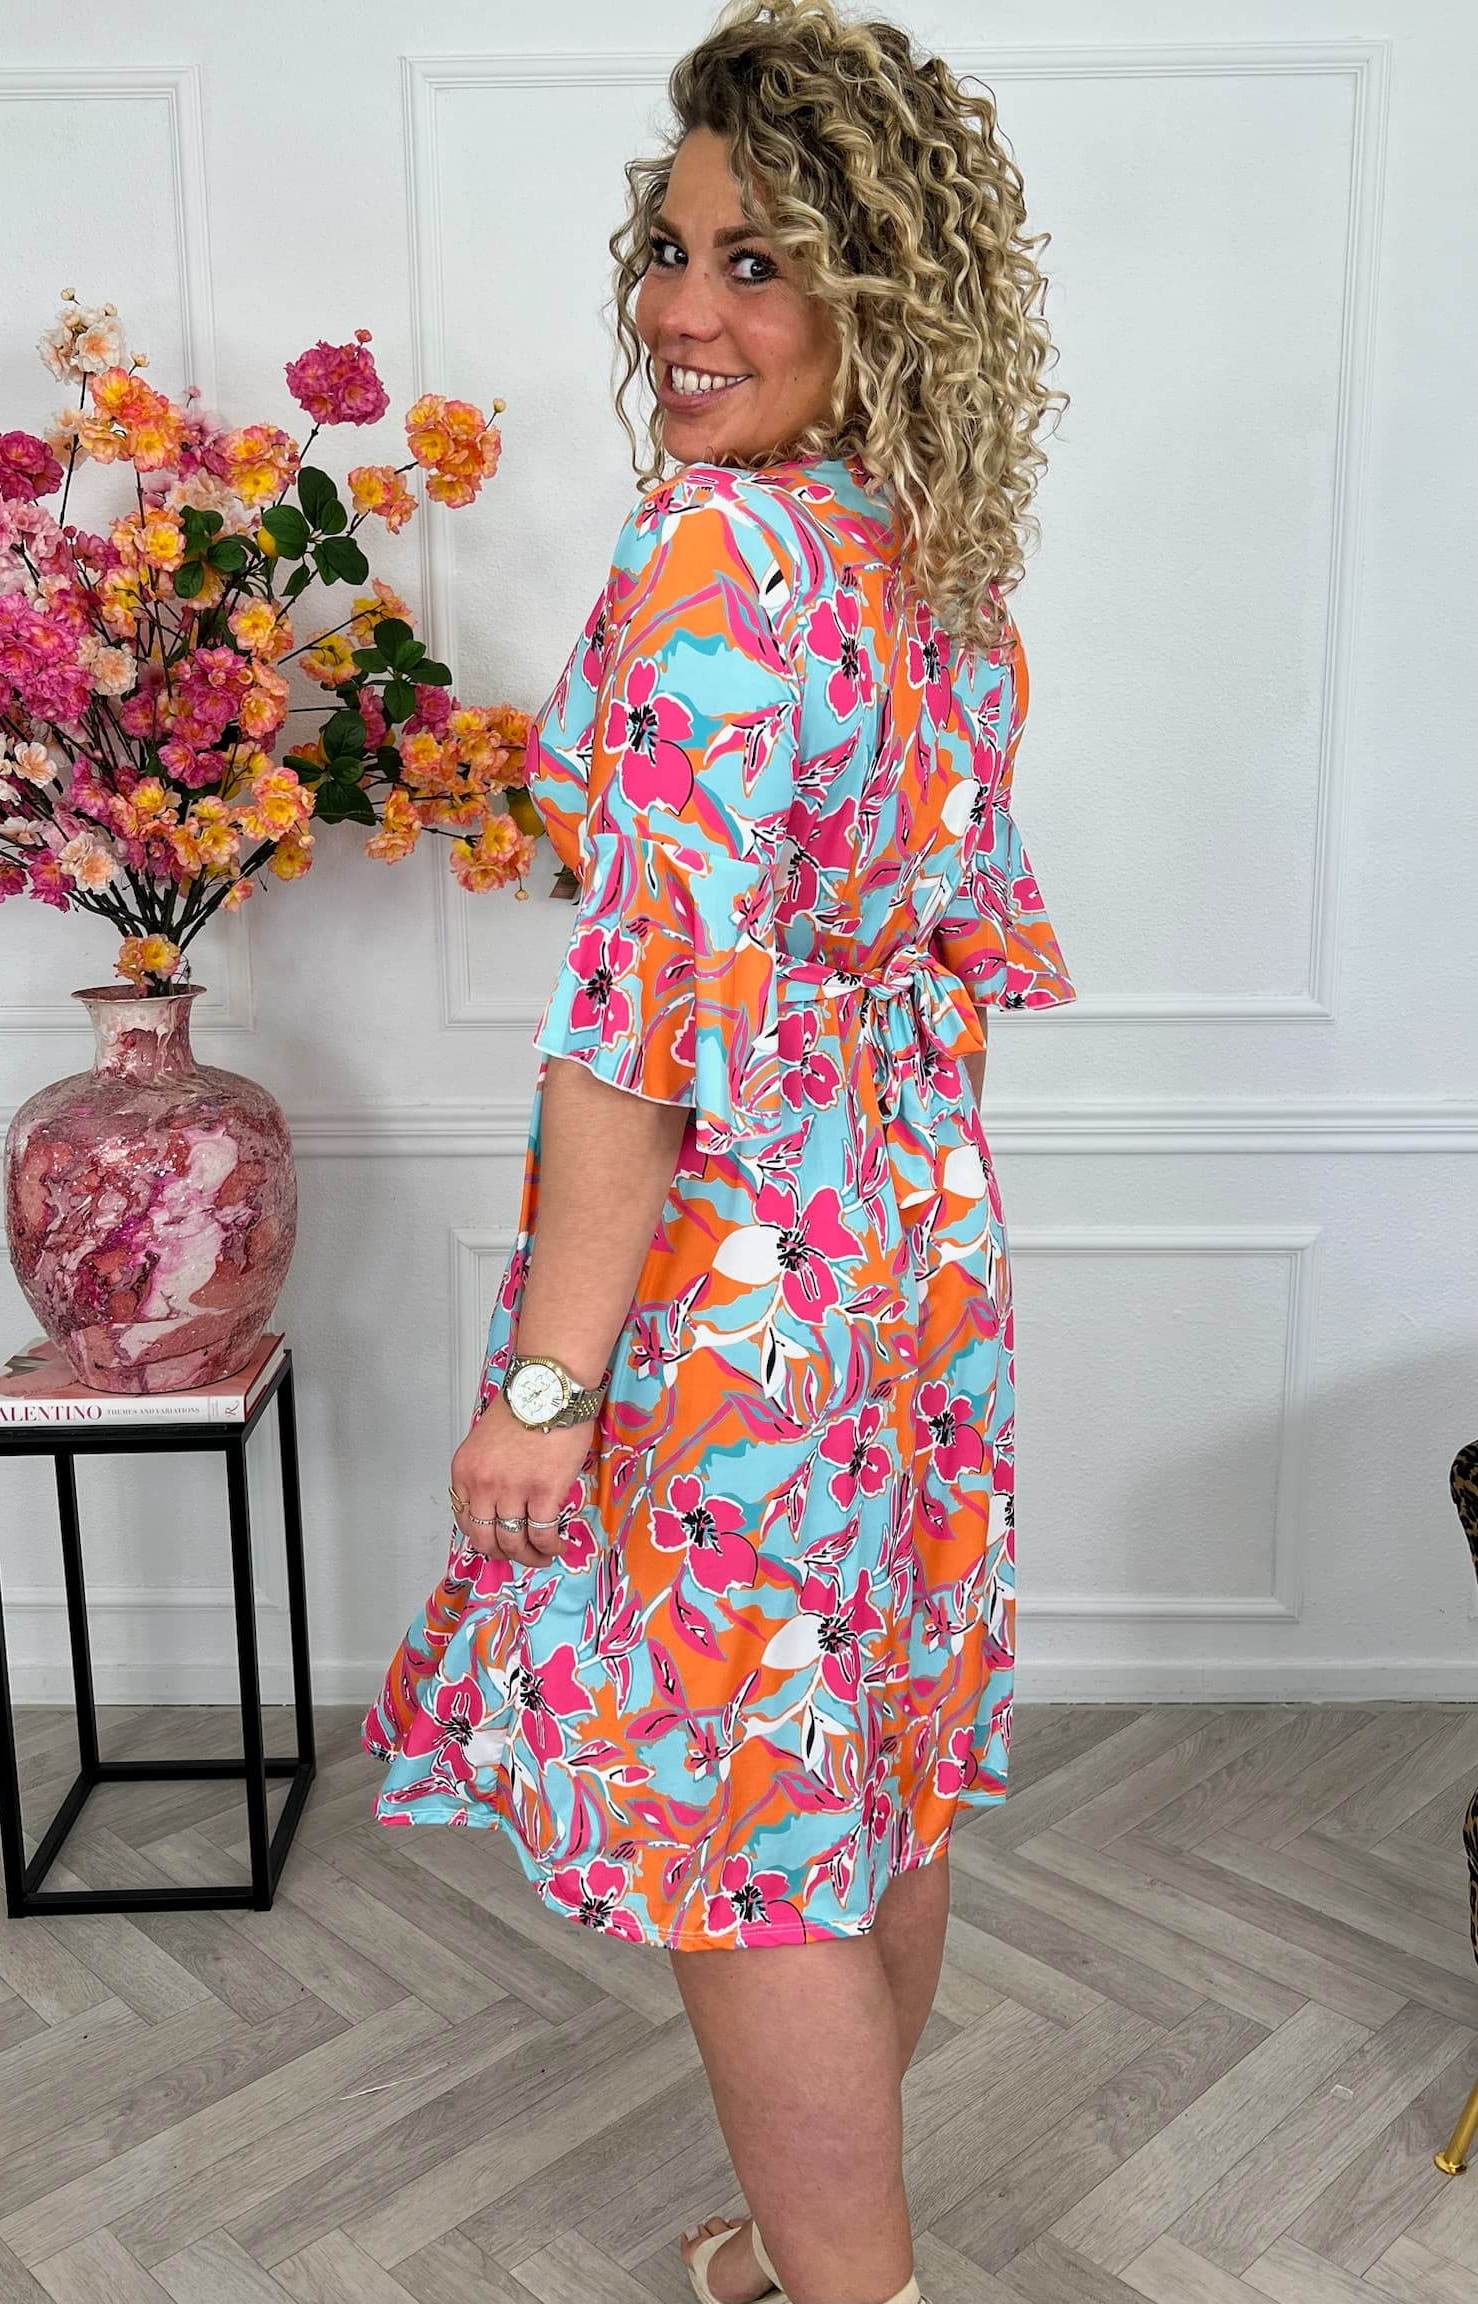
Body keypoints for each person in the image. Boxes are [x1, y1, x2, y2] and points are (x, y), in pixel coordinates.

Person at [360, 4, 1075, 2299]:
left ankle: (850, 2286)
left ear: (880, 292)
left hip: (738, 1285)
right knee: (867, 1766)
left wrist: (547, 1385)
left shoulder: (714, 559)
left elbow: (640, 1039)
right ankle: (801, 2245)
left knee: (747, 1838)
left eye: (756, 262)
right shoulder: (931, 566)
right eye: (669, 251)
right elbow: (926, 963)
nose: (683, 308)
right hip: (911, 1252)